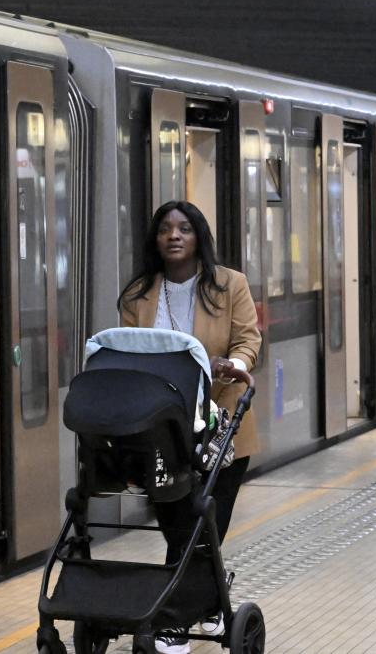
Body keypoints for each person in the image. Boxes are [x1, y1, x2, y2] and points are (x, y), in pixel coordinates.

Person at [117, 200, 262, 654]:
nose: (174, 236)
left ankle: (175, 621)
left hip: (221, 426)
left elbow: (248, 338)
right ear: (155, 240)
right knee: (178, 526)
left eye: (184, 228)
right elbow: (126, 349)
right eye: (165, 229)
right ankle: (212, 600)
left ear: (199, 236)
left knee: (203, 523)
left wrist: (234, 365)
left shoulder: (228, 285)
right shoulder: (138, 294)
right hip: (164, 430)